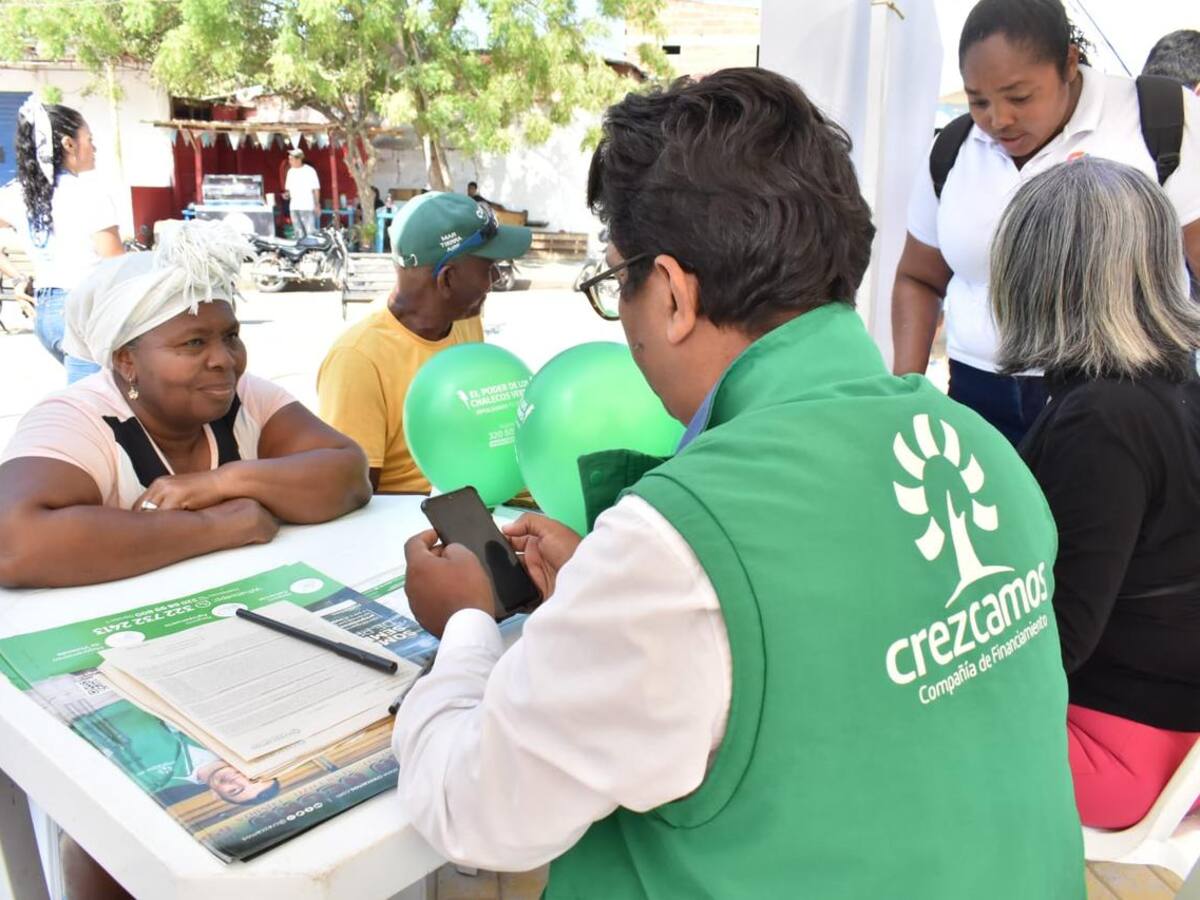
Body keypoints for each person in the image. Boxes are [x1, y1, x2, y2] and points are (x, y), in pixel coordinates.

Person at [392, 69, 1084, 898]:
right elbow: (829, 661)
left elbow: (474, 810)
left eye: (620, 285)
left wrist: (466, 624)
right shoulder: (979, 445)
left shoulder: (680, 543)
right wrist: (600, 587)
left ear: (675, 295)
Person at [990, 157, 1200, 830]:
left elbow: (1057, 634)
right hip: (1173, 742)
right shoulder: (1172, 393)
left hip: (1118, 746)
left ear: (1037, 277)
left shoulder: (1103, 421)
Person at [891, 0, 1200, 445]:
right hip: (980, 396)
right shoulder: (955, 148)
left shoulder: (1155, 119)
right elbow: (918, 278)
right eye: (978, 101)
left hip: (1121, 395)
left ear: (1069, 63)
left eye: (1019, 97)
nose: (998, 120)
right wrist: (908, 389)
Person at [0, 220, 371, 589]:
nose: (224, 360)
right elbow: (13, 545)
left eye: (230, 336)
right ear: (126, 361)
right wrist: (216, 526)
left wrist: (220, 483)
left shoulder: (243, 395)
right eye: (194, 343)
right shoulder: (75, 419)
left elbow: (349, 475)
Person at [317, 192, 531, 494]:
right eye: (488, 268)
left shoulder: (464, 321)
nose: (495, 279)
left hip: (484, 498)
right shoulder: (358, 359)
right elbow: (353, 493)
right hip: (417, 521)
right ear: (447, 280)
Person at [0, 100, 123, 382]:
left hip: (47, 314)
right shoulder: (89, 194)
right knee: (94, 410)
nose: (94, 148)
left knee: (100, 402)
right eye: (89, 140)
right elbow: (118, 267)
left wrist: (17, 278)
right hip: (85, 313)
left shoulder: (18, 194)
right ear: (69, 144)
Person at [283, 149, 321, 239]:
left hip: (306, 206)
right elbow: (288, 189)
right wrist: (286, 195)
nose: (290, 161)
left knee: (310, 232)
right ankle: (302, 251)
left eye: (291, 159)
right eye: (289, 159)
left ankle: (312, 251)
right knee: (298, 233)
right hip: (294, 206)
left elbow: (316, 189)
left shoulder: (309, 171)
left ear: (298, 159)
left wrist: (317, 205)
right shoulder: (290, 172)